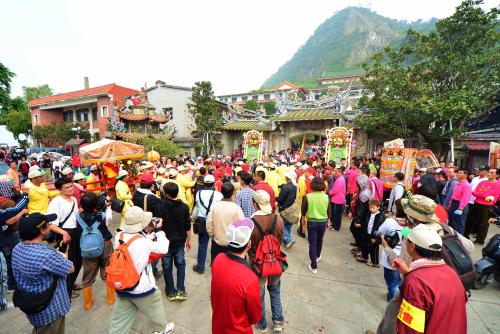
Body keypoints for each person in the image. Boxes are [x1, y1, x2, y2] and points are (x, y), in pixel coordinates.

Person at [108, 206, 174, 334]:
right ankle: (162, 329)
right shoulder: (143, 242)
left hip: (123, 283)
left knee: (120, 320)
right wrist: (159, 230)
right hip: (140, 285)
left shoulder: (119, 235)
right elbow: (163, 248)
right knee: (155, 304)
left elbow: (135, 241)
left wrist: (149, 232)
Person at [392, 224, 467, 334]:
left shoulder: (415, 282)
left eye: (407, 241)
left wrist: (410, 277)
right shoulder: (451, 272)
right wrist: (408, 273)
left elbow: (409, 328)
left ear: (412, 246)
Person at [12, 213, 74, 334]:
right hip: (50, 310)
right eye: (48, 225)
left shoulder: (18, 247)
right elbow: (70, 268)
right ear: (42, 230)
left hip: (33, 305)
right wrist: (63, 255)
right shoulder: (46, 255)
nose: (50, 226)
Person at [211, 218, 262, 334]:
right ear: (249, 244)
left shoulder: (218, 260)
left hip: (218, 326)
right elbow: (255, 317)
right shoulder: (250, 279)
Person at [249, 190, 285, 332]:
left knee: (260, 293)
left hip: (257, 264)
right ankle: (278, 321)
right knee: (275, 290)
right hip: (275, 262)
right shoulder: (278, 219)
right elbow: (280, 241)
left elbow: (249, 245)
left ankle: (261, 324)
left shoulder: (251, 222)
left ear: (255, 204)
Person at [77, 192, 114, 310]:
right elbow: (107, 220)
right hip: (105, 243)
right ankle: (110, 298)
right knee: (108, 269)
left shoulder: (78, 217)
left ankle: (88, 303)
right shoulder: (101, 215)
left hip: (88, 247)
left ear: (81, 204)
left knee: (88, 273)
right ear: (97, 203)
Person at [156, 182, 192, 301]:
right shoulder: (184, 207)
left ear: (166, 194)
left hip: (164, 242)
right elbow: (187, 226)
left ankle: (170, 291)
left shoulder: (160, 206)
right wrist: (189, 240)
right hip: (179, 241)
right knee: (180, 264)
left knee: (167, 266)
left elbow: (157, 225)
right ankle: (181, 290)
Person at [47, 177, 81, 297]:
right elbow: (51, 225)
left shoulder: (74, 200)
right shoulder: (56, 202)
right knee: (67, 262)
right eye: (66, 188)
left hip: (75, 231)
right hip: (64, 233)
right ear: (59, 190)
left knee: (78, 260)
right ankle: (66, 290)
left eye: (71, 186)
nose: (70, 189)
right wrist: (64, 233)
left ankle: (71, 283)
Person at [192, 174, 223, 274]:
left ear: (204, 183)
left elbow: (197, 205)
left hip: (202, 221)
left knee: (202, 244)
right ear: (213, 184)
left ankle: (200, 267)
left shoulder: (199, 193)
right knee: (215, 244)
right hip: (214, 221)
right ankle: (215, 266)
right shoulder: (218, 195)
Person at [207, 182, 244, 263]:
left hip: (217, 242)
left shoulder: (215, 206)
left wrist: (213, 236)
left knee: (216, 265)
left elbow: (209, 224)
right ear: (232, 193)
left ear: (221, 192)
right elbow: (242, 227)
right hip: (232, 244)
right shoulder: (237, 208)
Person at [377, 199, 404, 301]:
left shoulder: (390, 222)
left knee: (392, 282)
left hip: (391, 255)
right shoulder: (411, 225)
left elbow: (380, 232)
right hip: (406, 256)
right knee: (399, 280)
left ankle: (394, 301)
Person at [302, 177, 330, 274]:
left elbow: (303, 210)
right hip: (323, 222)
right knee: (320, 240)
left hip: (311, 222)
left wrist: (303, 219)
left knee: (312, 243)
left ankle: (314, 265)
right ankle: (317, 256)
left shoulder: (308, 196)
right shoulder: (326, 197)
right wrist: (329, 220)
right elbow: (328, 210)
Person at [464, 168, 500, 244]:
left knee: (483, 224)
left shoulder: (498, 184)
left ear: (497, 175)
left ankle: (480, 240)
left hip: (487, 206)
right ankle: (465, 235)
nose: (489, 174)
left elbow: (493, 197)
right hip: (476, 203)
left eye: (492, 173)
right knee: (469, 220)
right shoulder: (483, 182)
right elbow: (474, 192)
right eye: (489, 172)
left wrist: (481, 194)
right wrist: (484, 195)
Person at [357, 200, 385, 267]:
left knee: (374, 249)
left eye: (373, 208)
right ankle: (364, 257)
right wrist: (361, 225)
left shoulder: (379, 216)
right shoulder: (370, 214)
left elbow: (378, 227)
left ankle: (375, 262)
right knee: (365, 246)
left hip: (373, 235)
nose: (371, 209)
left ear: (378, 207)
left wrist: (374, 237)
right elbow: (366, 222)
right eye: (370, 208)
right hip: (367, 233)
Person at [350, 175, 373, 251]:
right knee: (356, 231)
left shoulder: (364, 194)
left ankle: (360, 248)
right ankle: (359, 245)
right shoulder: (366, 191)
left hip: (362, 218)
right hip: (363, 217)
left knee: (356, 231)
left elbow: (361, 209)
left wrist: (358, 220)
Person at [276, 171, 298, 248]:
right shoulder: (296, 186)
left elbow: (280, 199)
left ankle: (288, 239)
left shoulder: (286, 187)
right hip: (293, 209)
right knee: (288, 225)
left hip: (285, 209)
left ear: (288, 178)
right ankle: (286, 240)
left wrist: (275, 198)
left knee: (282, 225)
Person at [448, 168, 471, 234]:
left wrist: (461, 208)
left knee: (459, 224)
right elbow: (453, 194)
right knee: (451, 221)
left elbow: (465, 198)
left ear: (465, 175)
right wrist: (450, 203)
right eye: (458, 173)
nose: (458, 174)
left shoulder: (467, 185)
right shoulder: (457, 183)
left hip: (460, 205)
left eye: (460, 173)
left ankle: (459, 239)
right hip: (454, 203)